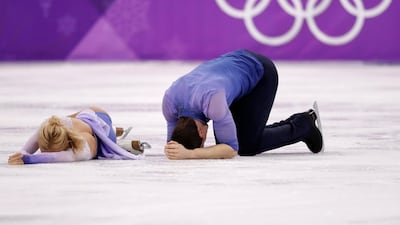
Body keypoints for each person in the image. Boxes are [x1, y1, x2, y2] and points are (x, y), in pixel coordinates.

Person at [162, 49, 324, 160]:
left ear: (200, 132)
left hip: (261, 73)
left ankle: (303, 125)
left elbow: (232, 149)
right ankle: (299, 123)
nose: (205, 140)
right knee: (228, 142)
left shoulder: (212, 102)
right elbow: (172, 144)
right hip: (231, 68)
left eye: (203, 142)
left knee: (246, 146)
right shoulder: (169, 101)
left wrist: (191, 154)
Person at [8, 106, 146, 165]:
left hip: (100, 117)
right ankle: (116, 130)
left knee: (108, 146)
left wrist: (29, 159)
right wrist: (21, 154)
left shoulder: (84, 142)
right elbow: (25, 149)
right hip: (84, 115)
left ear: (68, 144)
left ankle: (114, 132)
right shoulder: (48, 127)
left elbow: (62, 157)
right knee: (67, 118)